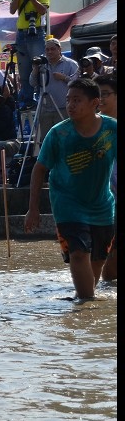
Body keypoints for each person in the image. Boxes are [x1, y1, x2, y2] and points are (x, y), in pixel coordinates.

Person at [25, 78, 116, 300]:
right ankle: (86, 306)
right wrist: (33, 208)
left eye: (77, 100)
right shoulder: (59, 134)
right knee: (78, 253)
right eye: (68, 100)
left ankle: (85, 299)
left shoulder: (112, 128)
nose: (70, 105)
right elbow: (39, 169)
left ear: (95, 103)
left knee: (97, 259)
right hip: (67, 204)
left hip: (102, 204)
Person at [10, 0, 51, 107]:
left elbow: (42, 10)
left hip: (37, 31)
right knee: (24, 69)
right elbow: (12, 10)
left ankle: (40, 97)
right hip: (21, 33)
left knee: (38, 66)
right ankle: (27, 100)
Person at [29, 37, 78, 152]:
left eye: (52, 49)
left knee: (64, 139)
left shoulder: (70, 64)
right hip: (45, 110)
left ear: (59, 49)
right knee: (47, 141)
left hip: (63, 109)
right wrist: (35, 69)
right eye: (47, 50)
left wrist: (64, 78)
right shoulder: (42, 65)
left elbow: (77, 84)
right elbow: (32, 83)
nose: (50, 52)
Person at [93, 73, 116, 282]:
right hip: (102, 201)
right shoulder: (90, 127)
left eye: (105, 94)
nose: (100, 99)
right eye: (97, 95)